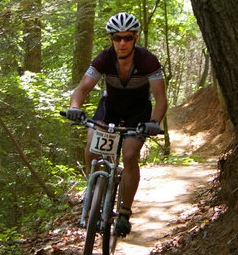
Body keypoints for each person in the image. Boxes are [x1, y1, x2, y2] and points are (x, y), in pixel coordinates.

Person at [65, 12, 168, 237]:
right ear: (111, 38)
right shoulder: (104, 59)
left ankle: (124, 213)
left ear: (136, 38)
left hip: (138, 111)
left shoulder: (147, 60)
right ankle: (96, 193)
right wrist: (74, 107)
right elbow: (82, 88)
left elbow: (160, 98)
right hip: (109, 107)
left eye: (128, 38)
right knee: (93, 148)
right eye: (117, 38)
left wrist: (154, 122)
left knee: (130, 156)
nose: (122, 43)